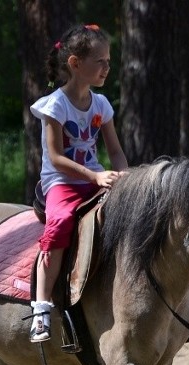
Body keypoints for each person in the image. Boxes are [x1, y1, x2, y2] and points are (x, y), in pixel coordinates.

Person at [28, 24, 128, 342]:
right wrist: (95, 176)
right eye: (99, 61)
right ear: (74, 63)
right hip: (61, 182)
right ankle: (41, 307)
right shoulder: (55, 105)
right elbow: (56, 157)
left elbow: (114, 150)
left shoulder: (101, 105)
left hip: (94, 179)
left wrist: (125, 179)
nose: (106, 67)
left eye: (108, 61)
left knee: (136, 214)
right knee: (59, 223)